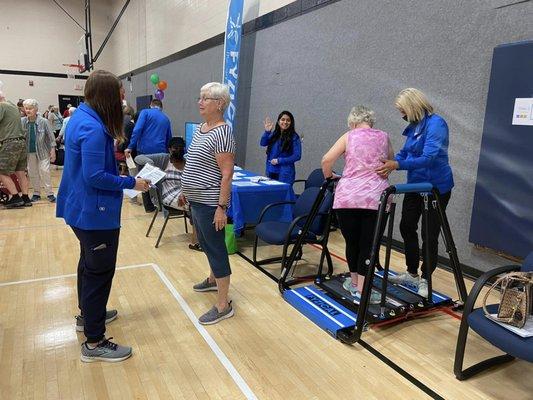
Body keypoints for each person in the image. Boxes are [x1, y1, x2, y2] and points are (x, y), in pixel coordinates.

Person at [56, 70, 150, 363]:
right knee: (98, 273)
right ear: (108, 96)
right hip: (93, 213)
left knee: (88, 265)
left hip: (79, 209)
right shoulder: (94, 128)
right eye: (120, 93)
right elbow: (95, 175)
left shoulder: (80, 118)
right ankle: (94, 343)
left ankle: (89, 317)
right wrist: (130, 182)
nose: (123, 98)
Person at [376, 88, 454, 297]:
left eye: (403, 110)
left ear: (412, 106)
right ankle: (412, 273)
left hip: (435, 187)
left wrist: (397, 165)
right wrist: (389, 161)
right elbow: (405, 152)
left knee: (429, 234)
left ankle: (426, 278)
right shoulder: (414, 126)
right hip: (415, 185)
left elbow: (429, 157)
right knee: (406, 225)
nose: (402, 115)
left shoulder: (437, 124)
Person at [322, 105, 393, 303]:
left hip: (348, 198)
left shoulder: (348, 136)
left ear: (352, 122)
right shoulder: (384, 137)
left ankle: (354, 284)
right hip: (375, 198)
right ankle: (363, 290)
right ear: (371, 121)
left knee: (352, 242)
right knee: (367, 245)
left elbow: (326, 160)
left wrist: (331, 178)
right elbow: (391, 163)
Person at [181, 82, 235, 325]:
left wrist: (221, 208)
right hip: (196, 199)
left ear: (220, 104)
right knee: (204, 243)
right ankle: (213, 280)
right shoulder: (203, 127)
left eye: (206, 98)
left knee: (215, 248)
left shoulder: (223, 132)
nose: (200, 102)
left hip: (211, 203)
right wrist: (186, 190)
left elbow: (226, 173)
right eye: (200, 97)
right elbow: (194, 162)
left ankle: (223, 305)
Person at [125, 99, 172, 212]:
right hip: (161, 153)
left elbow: (137, 130)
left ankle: (149, 206)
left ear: (151, 105)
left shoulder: (145, 112)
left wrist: (131, 146)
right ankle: (160, 204)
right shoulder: (166, 118)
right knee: (158, 179)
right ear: (161, 107)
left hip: (145, 152)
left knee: (145, 179)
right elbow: (169, 138)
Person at [160, 137, 201, 250]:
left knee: (200, 202)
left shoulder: (188, 162)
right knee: (195, 206)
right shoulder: (164, 160)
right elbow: (139, 158)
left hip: (185, 191)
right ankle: (196, 241)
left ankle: (203, 235)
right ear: (169, 149)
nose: (178, 150)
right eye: (175, 148)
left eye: (181, 148)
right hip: (169, 193)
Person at [0, 90, 32, 208]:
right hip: (21, 142)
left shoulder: (1, 106)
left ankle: (15, 197)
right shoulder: (12, 105)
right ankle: (25, 197)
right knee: (20, 172)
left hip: (9, 143)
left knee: (1, 171)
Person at [21, 99, 57, 202]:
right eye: (26, 108)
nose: (28, 110)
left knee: (44, 171)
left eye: (30, 108)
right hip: (29, 153)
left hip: (43, 152)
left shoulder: (44, 121)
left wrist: (53, 151)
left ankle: (50, 193)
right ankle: (36, 193)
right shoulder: (22, 121)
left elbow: (51, 137)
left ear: (36, 109)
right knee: (33, 173)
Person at [260, 111, 301, 185]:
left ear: (291, 123)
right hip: (271, 170)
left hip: (285, 173)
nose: (285, 122)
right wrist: (267, 132)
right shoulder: (274, 134)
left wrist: (279, 160)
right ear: (278, 122)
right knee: (270, 194)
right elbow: (263, 143)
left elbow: (297, 156)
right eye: (283, 119)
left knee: (282, 195)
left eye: (288, 120)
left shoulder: (294, 137)